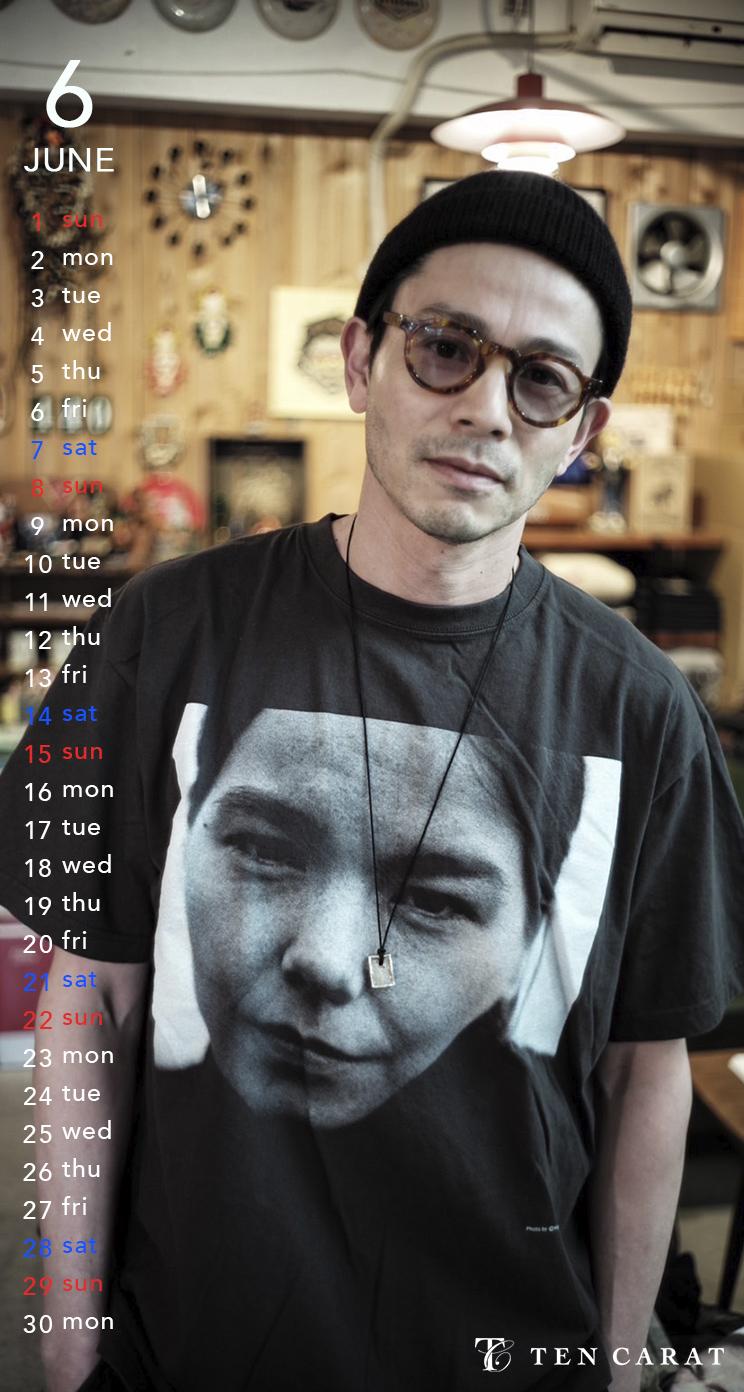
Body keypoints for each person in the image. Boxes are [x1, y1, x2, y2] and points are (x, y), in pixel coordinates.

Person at [0, 170, 742, 1392]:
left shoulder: (644, 714)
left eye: (542, 379)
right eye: (446, 348)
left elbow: (645, 1068)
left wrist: (614, 1366)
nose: (487, 409)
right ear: (362, 362)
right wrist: (68, 1342)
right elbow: (93, 1002)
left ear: (581, 434)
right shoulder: (161, 637)